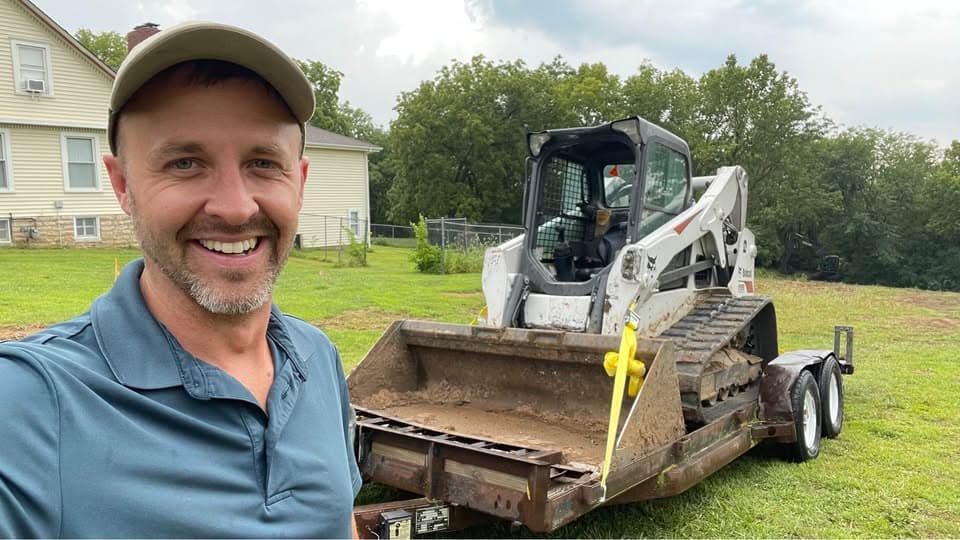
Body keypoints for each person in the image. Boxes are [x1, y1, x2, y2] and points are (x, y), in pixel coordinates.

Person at [0, 21, 360, 537]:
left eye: (263, 162)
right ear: (122, 185)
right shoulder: (29, 406)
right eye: (186, 163)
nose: (236, 208)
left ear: (298, 183)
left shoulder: (315, 358)